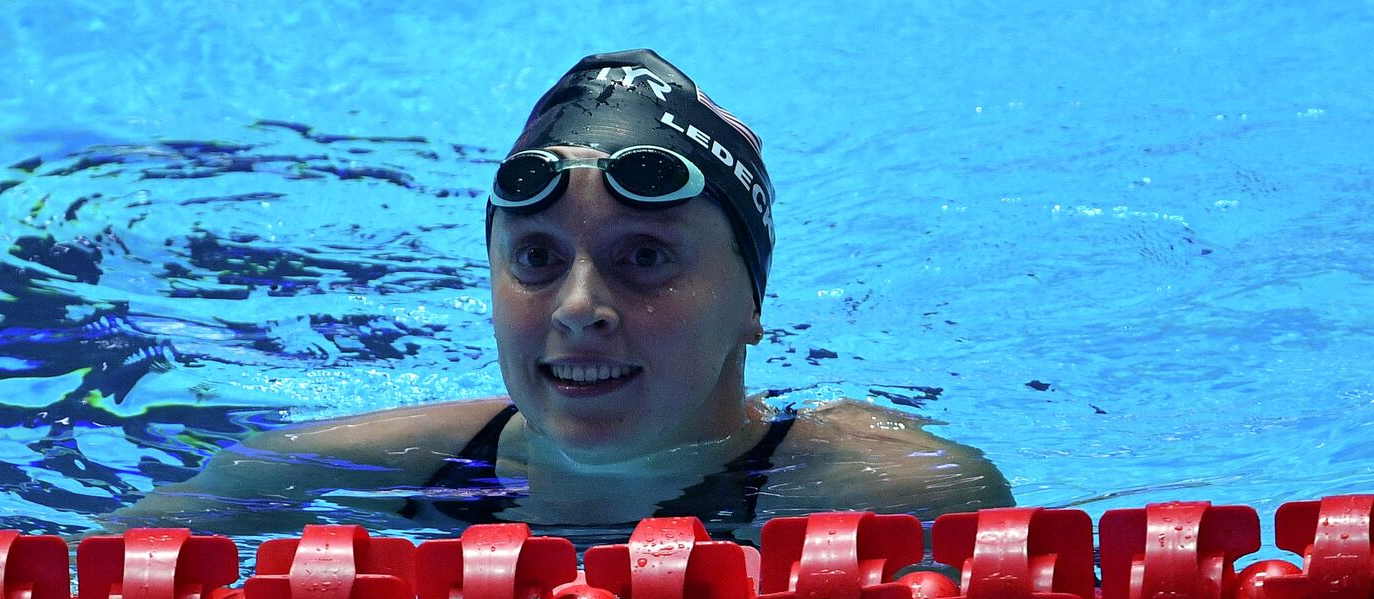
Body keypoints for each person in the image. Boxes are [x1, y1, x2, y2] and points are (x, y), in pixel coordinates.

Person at [116, 49, 1013, 543]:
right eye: (537, 258)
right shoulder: (327, 473)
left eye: (647, 259)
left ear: (749, 302)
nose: (579, 305)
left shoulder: (902, 495)